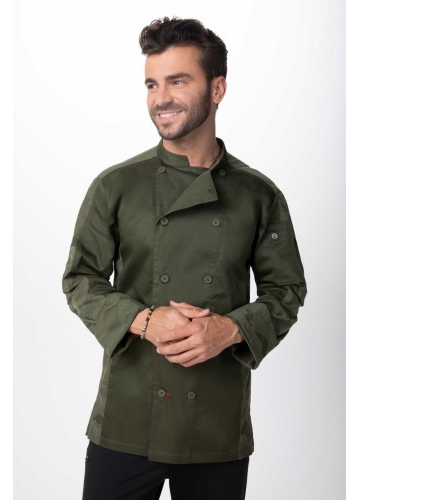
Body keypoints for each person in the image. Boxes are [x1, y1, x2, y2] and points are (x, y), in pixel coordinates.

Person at [62, 16, 306, 500]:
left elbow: (286, 291)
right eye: (152, 84)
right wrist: (144, 320)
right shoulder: (115, 186)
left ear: (217, 89)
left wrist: (230, 329)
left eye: (177, 81)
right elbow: (81, 280)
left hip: (215, 423)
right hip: (127, 418)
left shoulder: (258, 194)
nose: (161, 98)